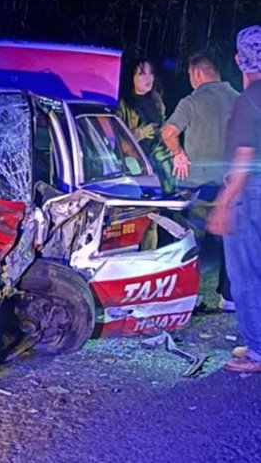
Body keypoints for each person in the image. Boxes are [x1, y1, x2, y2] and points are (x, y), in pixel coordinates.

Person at [161, 50, 238, 311]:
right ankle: (228, 298)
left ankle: (189, 298)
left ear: (196, 73)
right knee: (230, 242)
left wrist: (178, 154)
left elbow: (169, 132)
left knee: (189, 241)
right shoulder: (239, 100)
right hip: (230, 186)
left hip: (195, 187)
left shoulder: (191, 101)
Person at [207, 25, 261, 373]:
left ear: (239, 60)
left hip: (251, 193)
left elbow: (244, 154)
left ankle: (257, 349)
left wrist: (224, 201)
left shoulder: (251, 98)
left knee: (246, 272)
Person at [118, 59, 176, 195]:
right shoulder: (124, 105)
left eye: (151, 74)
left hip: (161, 159)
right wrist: (139, 134)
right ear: (132, 77)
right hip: (137, 163)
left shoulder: (157, 99)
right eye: (142, 74)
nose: (148, 78)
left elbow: (162, 126)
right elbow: (117, 142)